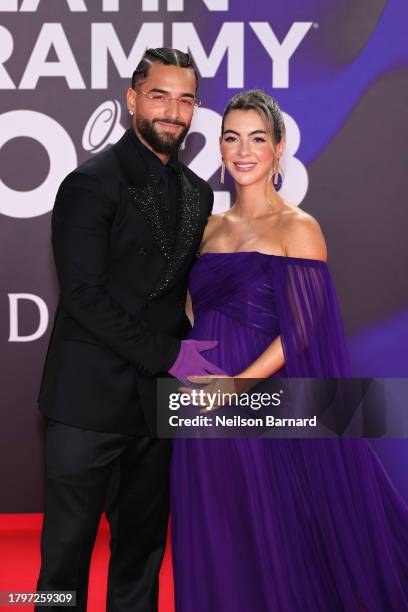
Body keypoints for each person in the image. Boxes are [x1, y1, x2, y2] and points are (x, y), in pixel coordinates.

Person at [170, 90, 408, 611]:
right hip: (203, 407)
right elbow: (190, 315)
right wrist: (193, 381)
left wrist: (238, 385)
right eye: (231, 138)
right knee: (217, 524)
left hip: (264, 403)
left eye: (257, 138)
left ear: (279, 150)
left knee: (272, 525)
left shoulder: (298, 228)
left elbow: (302, 330)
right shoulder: (207, 228)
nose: (243, 150)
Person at [36, 48, 221, 612]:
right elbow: (86, 298)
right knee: (65, 558)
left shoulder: (198, 191)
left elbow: (177, 297)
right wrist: (174, 357)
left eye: (185, 99)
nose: (173, 110)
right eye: (160, 95)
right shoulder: (89, 184)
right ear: (132, 99)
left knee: (142, 552)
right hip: (86, 404)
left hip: (155, 409)